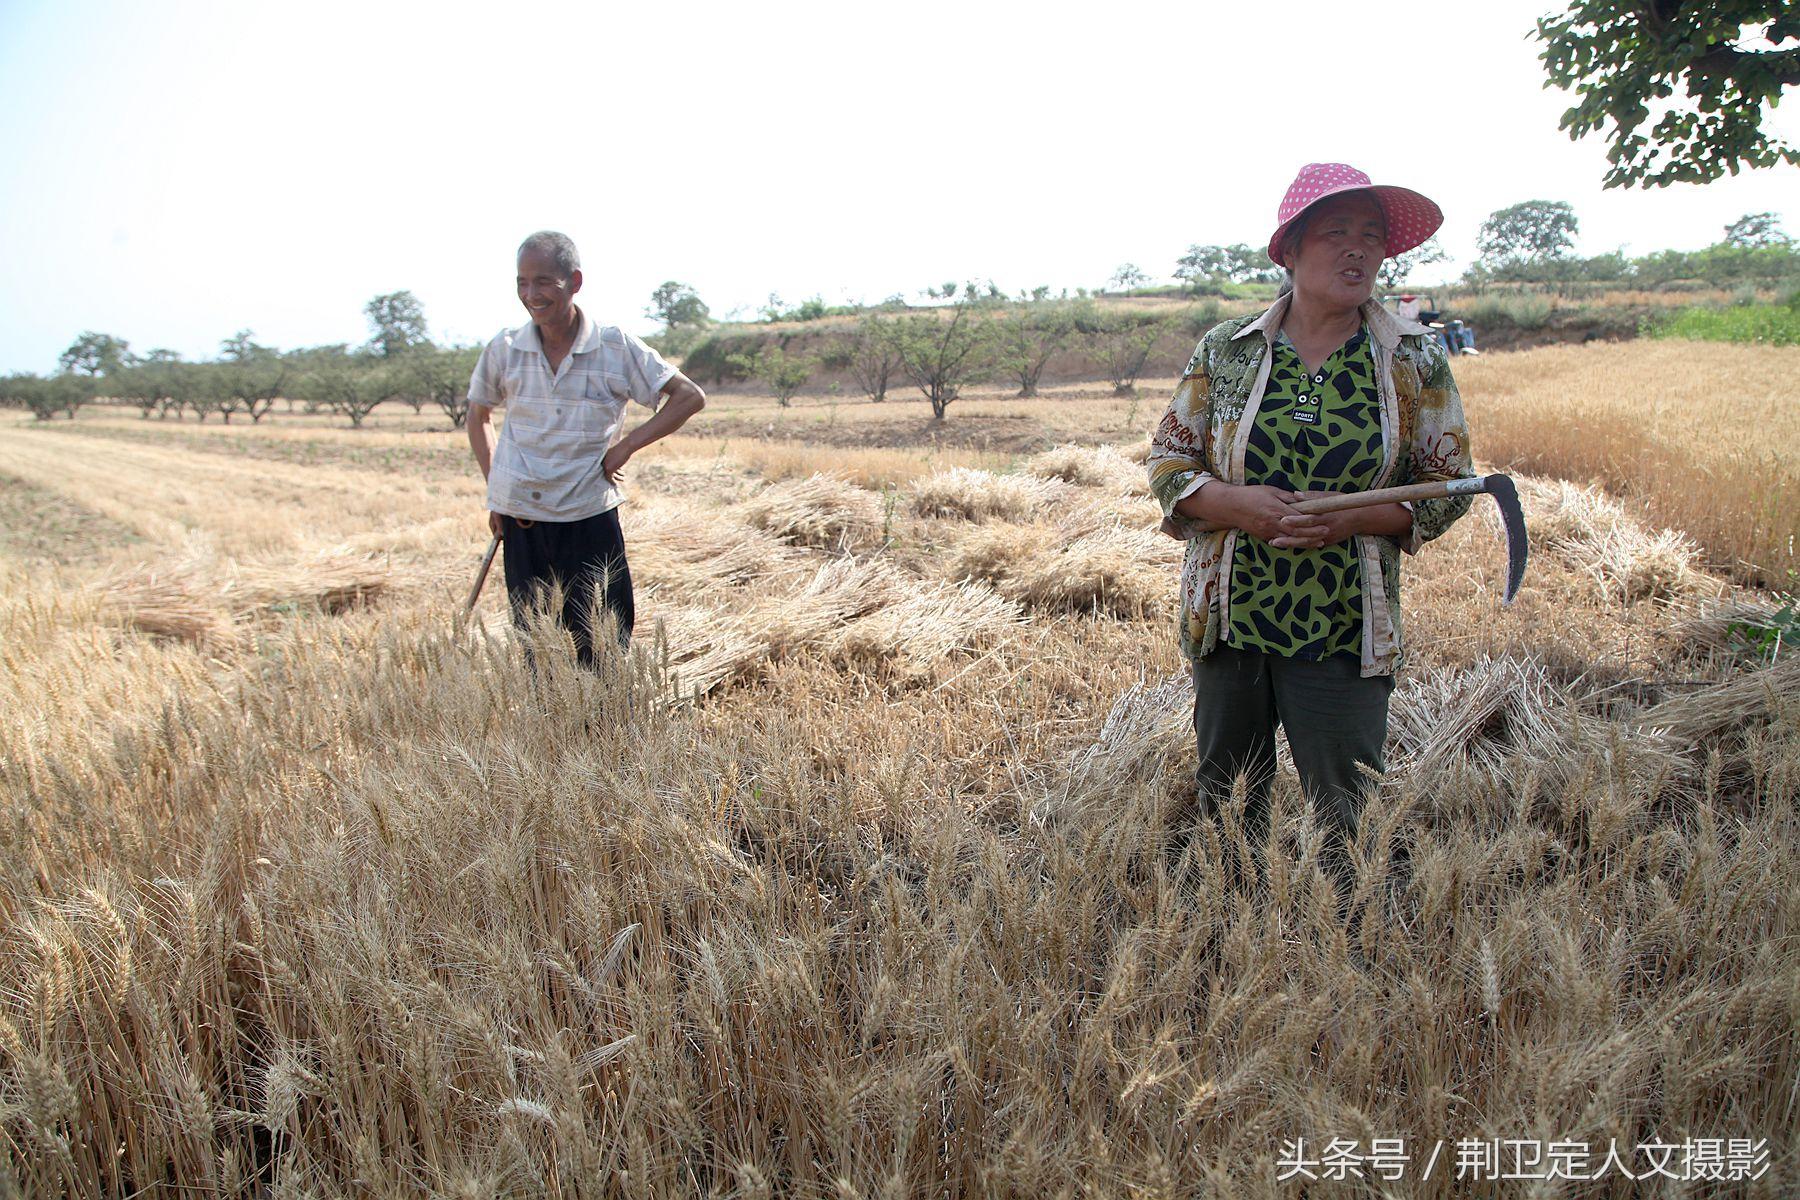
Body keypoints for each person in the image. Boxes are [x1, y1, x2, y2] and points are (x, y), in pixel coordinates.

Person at [1147, 163, 1476, 886]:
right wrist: (1238, 507)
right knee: (1228, 800)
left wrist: (1352, 518)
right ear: (1290, 249)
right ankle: (1230, 930)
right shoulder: (1227, 350)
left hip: (1344, 622)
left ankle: (1349, 935)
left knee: (1348, 810)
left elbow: (1449, 486)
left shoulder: (1413, 359)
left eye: (1372, 237)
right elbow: (1169, 464)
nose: (1359, 250)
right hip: (1231, 614)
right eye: (1336, 233)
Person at [466, 231, 706, 664]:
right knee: (538, 651)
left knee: (604, 646)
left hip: (589, 518)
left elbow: (689, 397)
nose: (531, 295)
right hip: (524, 520)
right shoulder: (505, 348)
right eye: (522, 283)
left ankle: (606, 710)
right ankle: (550, 713)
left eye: (543, 282)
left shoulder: (615, 346)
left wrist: (626, 446)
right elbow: (478, 415)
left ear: (574, 281)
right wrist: (498, 490)